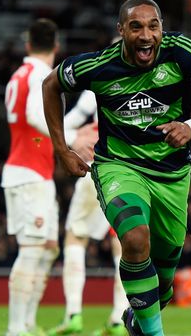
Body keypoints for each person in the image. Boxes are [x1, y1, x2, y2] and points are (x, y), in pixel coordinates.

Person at [42, 0, 191, 336]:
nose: (146, 35)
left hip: (172, 175)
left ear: (162, 28)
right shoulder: (99, 66)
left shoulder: (182, 52)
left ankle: (139, 320)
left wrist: (190, 126)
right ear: (121, 31)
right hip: (119, 166)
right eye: (136, 27)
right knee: (133, 238)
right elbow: (50, 85)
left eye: (153, 26)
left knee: (161, 286)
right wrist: (61, 149)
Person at [2, 18, 95, 336]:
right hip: (29, 174)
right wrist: (70, 138)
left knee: (49, 247)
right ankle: (17, 327)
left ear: (28, 44)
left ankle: (27, 323)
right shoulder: (40, 74)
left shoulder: (18, 75)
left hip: (30, 172)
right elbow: (32, 115)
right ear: (56, 47)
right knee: (32, 248)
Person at [47, 90, 130, 336]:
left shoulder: (96, 86)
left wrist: (78, 136)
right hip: (129, 173)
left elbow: (66, 123)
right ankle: (119, 318)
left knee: (76, 237)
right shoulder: (144, 84)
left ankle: (73, 314)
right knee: (121, 243)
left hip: (98, 167)